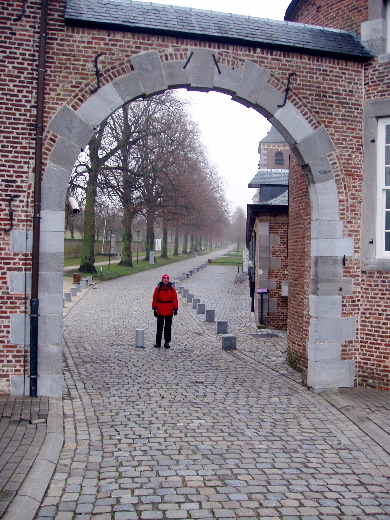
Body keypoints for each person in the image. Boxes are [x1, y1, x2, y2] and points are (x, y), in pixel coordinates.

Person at [152, 274, 178, 348]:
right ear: (162, 280)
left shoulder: (172, 289)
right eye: (164, 279)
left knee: (168, 326)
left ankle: (167, 342)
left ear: (168, 280)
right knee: (159, 326)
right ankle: (158, 342)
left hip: (169, 308)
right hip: (160, 308)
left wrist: (175, 308)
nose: (165, 281)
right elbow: (155, 298)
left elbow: (174, 299)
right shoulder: (158, 288)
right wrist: (154, 308)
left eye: (167, 279)